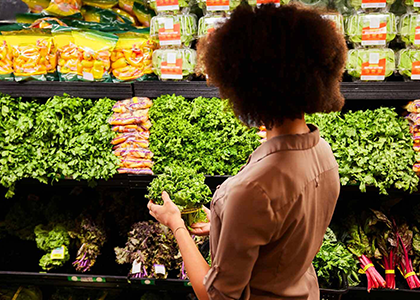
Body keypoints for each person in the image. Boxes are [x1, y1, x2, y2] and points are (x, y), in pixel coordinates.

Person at [147, 3, 347, 300]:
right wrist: (222, 222)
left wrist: (176, 223)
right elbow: (280, 235)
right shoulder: (323, 154)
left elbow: (215, 295)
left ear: (244, 87)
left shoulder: (253, 190)